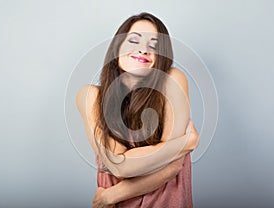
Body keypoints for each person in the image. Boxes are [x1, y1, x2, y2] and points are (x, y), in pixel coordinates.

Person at [76, 12, 199, 208]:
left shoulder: (173, 81)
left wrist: (111, 196)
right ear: (117, 48)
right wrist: (184, 144)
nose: (143, 50)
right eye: (134, 41)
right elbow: (118, 165)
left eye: (153, 46)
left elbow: (173, 166)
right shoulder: (90, 96)